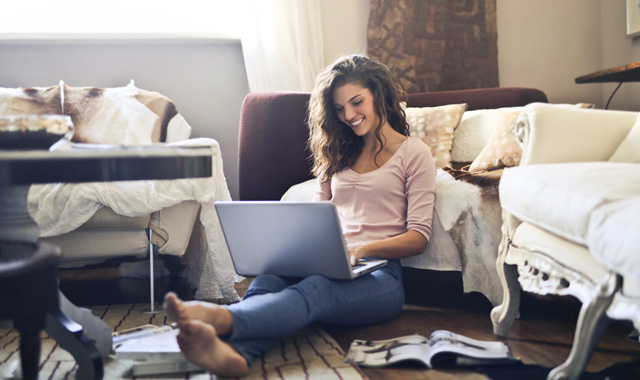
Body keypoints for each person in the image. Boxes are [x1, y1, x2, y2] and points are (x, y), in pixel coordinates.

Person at [164, 54, 437, 377]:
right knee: (268, 280)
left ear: (378, 94)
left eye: (356, 102)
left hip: (380, 277)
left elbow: (418, 237)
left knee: (315, 290)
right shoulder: (337, 153)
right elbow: (316, 218)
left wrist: (361, 250)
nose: (348, 115)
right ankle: (236, 356)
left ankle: (226, 319)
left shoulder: (414, 153)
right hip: (328, 260)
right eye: (339, 108)